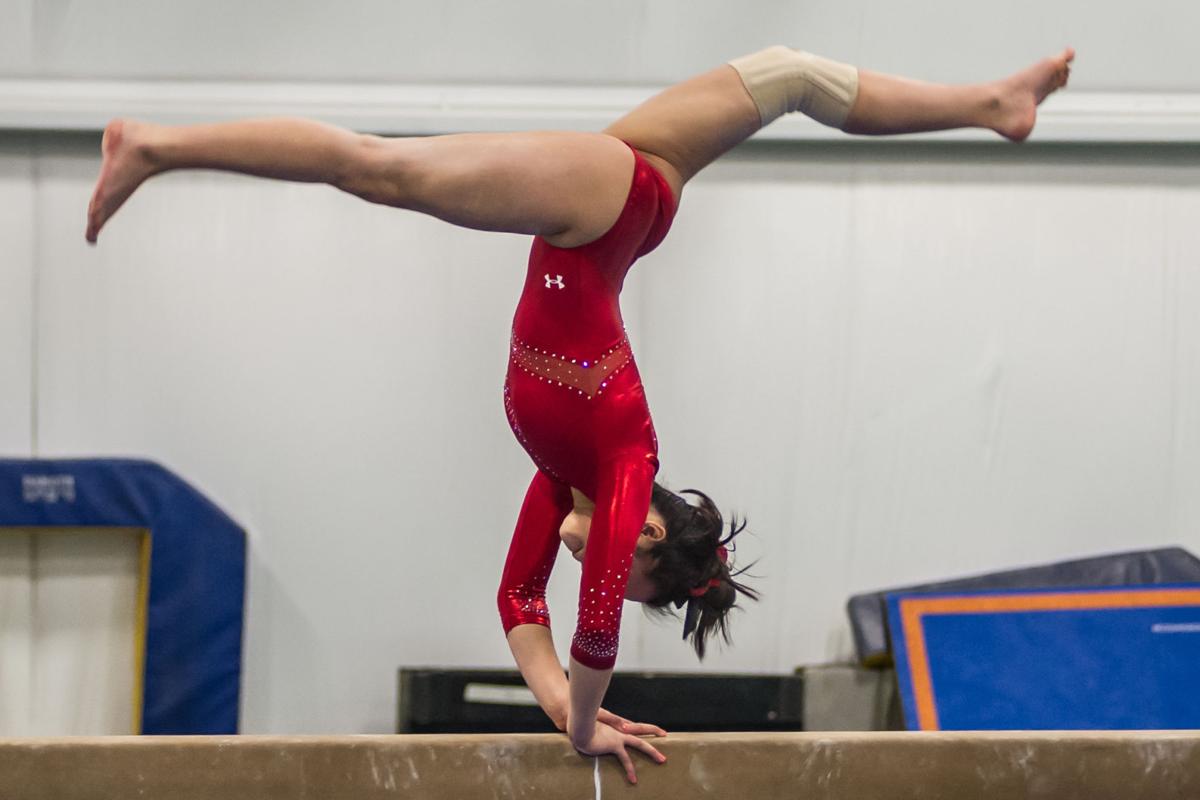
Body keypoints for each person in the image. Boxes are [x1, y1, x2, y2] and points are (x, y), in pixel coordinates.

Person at [85, 44, 1074, 783]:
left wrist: (559, 702)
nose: (590, 562)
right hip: (599, 206)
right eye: (638, 567)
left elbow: (519, 598)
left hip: (630, 203)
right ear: (645, 529)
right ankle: (156, 144)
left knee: (792, 75)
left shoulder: (565, 478)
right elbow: (594, 621)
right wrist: (587, 708)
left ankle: (995, 102)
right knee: (381, 167)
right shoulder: (626, 460)